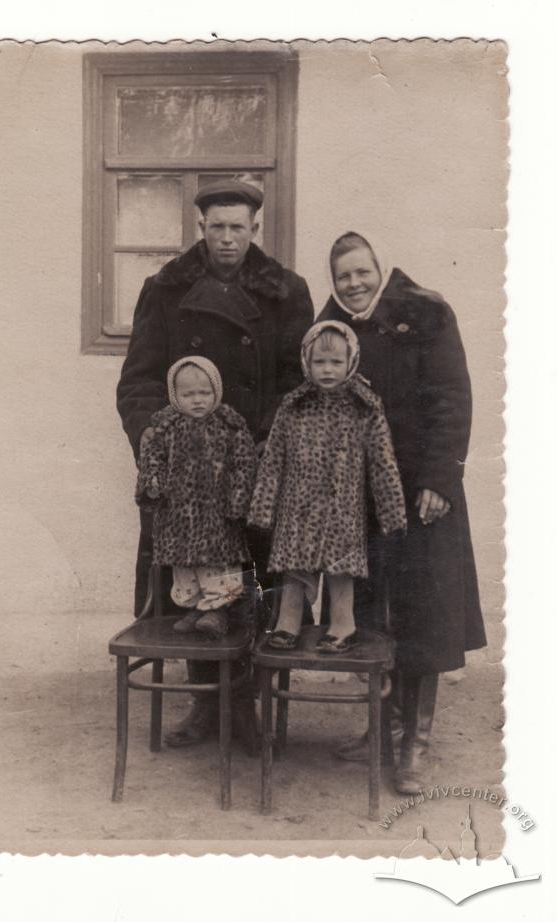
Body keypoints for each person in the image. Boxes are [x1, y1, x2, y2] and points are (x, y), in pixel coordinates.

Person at [117, 178, 314, 746]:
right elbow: (139, 382)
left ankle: (246, 708)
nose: (228, 238)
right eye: (217, 227)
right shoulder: (166, 289)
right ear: (201, 229)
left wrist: (261, 456)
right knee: (192, 585)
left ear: (255, 229)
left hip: (255, 467)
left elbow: (295, 384)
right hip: (185, 479)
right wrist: (166, 450)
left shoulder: (285, 290)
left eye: (238, 227)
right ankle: (204, 705)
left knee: (251, 583)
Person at [317, 231, 487, 794]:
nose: (355, 283)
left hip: (422, 494)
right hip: (360, 498)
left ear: (379, 268)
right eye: (343, 276)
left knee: (422, 615)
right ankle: (380, 730)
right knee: (371, 612)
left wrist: (440, 478)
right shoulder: (331, 329)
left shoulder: (425, 311)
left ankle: (413, 745)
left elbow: (453, 398)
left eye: (362, 271)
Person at [248, 320, 406, 653]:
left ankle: (342, 626)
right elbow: (273, 460)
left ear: (351, 361)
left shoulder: (365, 407)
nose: (328, 370)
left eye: (336, 362)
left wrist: (392, 513)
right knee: (294, 570)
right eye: (320, 362)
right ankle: (287, 624)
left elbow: (382, 463)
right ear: (307, 362)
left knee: (341, 571)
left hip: (342, 511)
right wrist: (263, 510)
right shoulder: (293, 407)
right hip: (297, 510)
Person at [136, 356, 257, 639]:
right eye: (188, 394)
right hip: (178, 515)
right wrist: (153, 483)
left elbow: (244, 463)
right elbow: (153, 458)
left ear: (217, 391)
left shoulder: (229, 426)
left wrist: (238, 499)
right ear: (174, 396)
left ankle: (217, 609)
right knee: (185, 568)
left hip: (218, 516)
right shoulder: (166, 427)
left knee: (217, 564)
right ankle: (194, 607)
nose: (198, 400)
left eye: (205, 393)